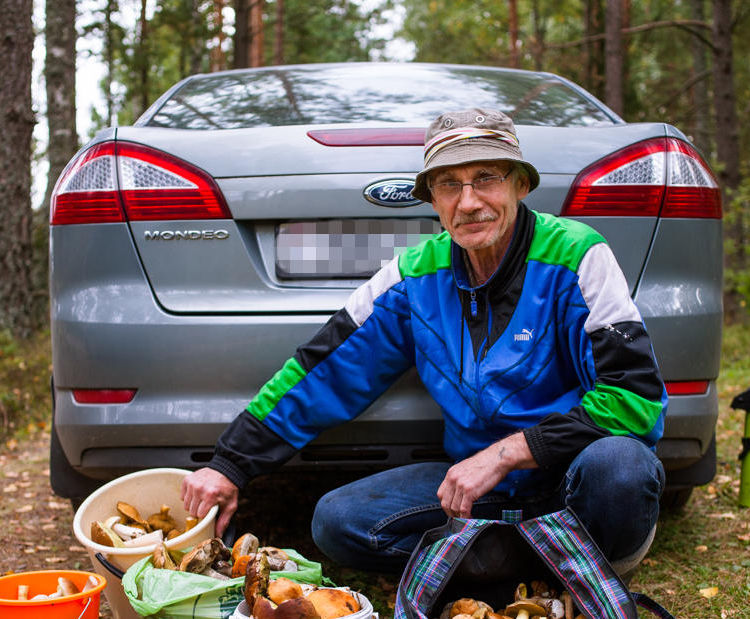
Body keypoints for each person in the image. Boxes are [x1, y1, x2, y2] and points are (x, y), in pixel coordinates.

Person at [181, 108, 666, 573]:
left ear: (520, 183)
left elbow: (634, 399)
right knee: (338, 521)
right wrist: (231, 463)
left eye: (487, 178)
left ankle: (514, 559)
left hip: (567, 472)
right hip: (473, 492)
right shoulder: (414, 275)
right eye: (449, 184)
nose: (469, 201)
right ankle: (550, 563)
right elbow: (324, 369)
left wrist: (506, 453)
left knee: (620, 468)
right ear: (433, 200)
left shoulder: (578, 254)